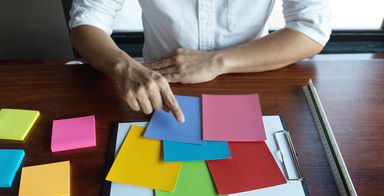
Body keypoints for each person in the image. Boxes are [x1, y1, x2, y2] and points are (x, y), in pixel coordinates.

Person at [69, 0, 331, 123]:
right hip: (159, 87)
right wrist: (124, 66)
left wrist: (216, 61)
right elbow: (87, 21)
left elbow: (311, 30)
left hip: (251, 76)